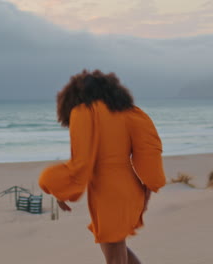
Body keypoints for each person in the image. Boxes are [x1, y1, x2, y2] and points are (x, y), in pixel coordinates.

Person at [39, 70, 166, 264]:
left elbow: (81, 164)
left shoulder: (83, 112)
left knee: (114, 256)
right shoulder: (130, 113)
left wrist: (57, 187)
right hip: (130, 189)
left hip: (107, 192)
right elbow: (148, 152)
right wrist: (148, 187)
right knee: (117, 248)